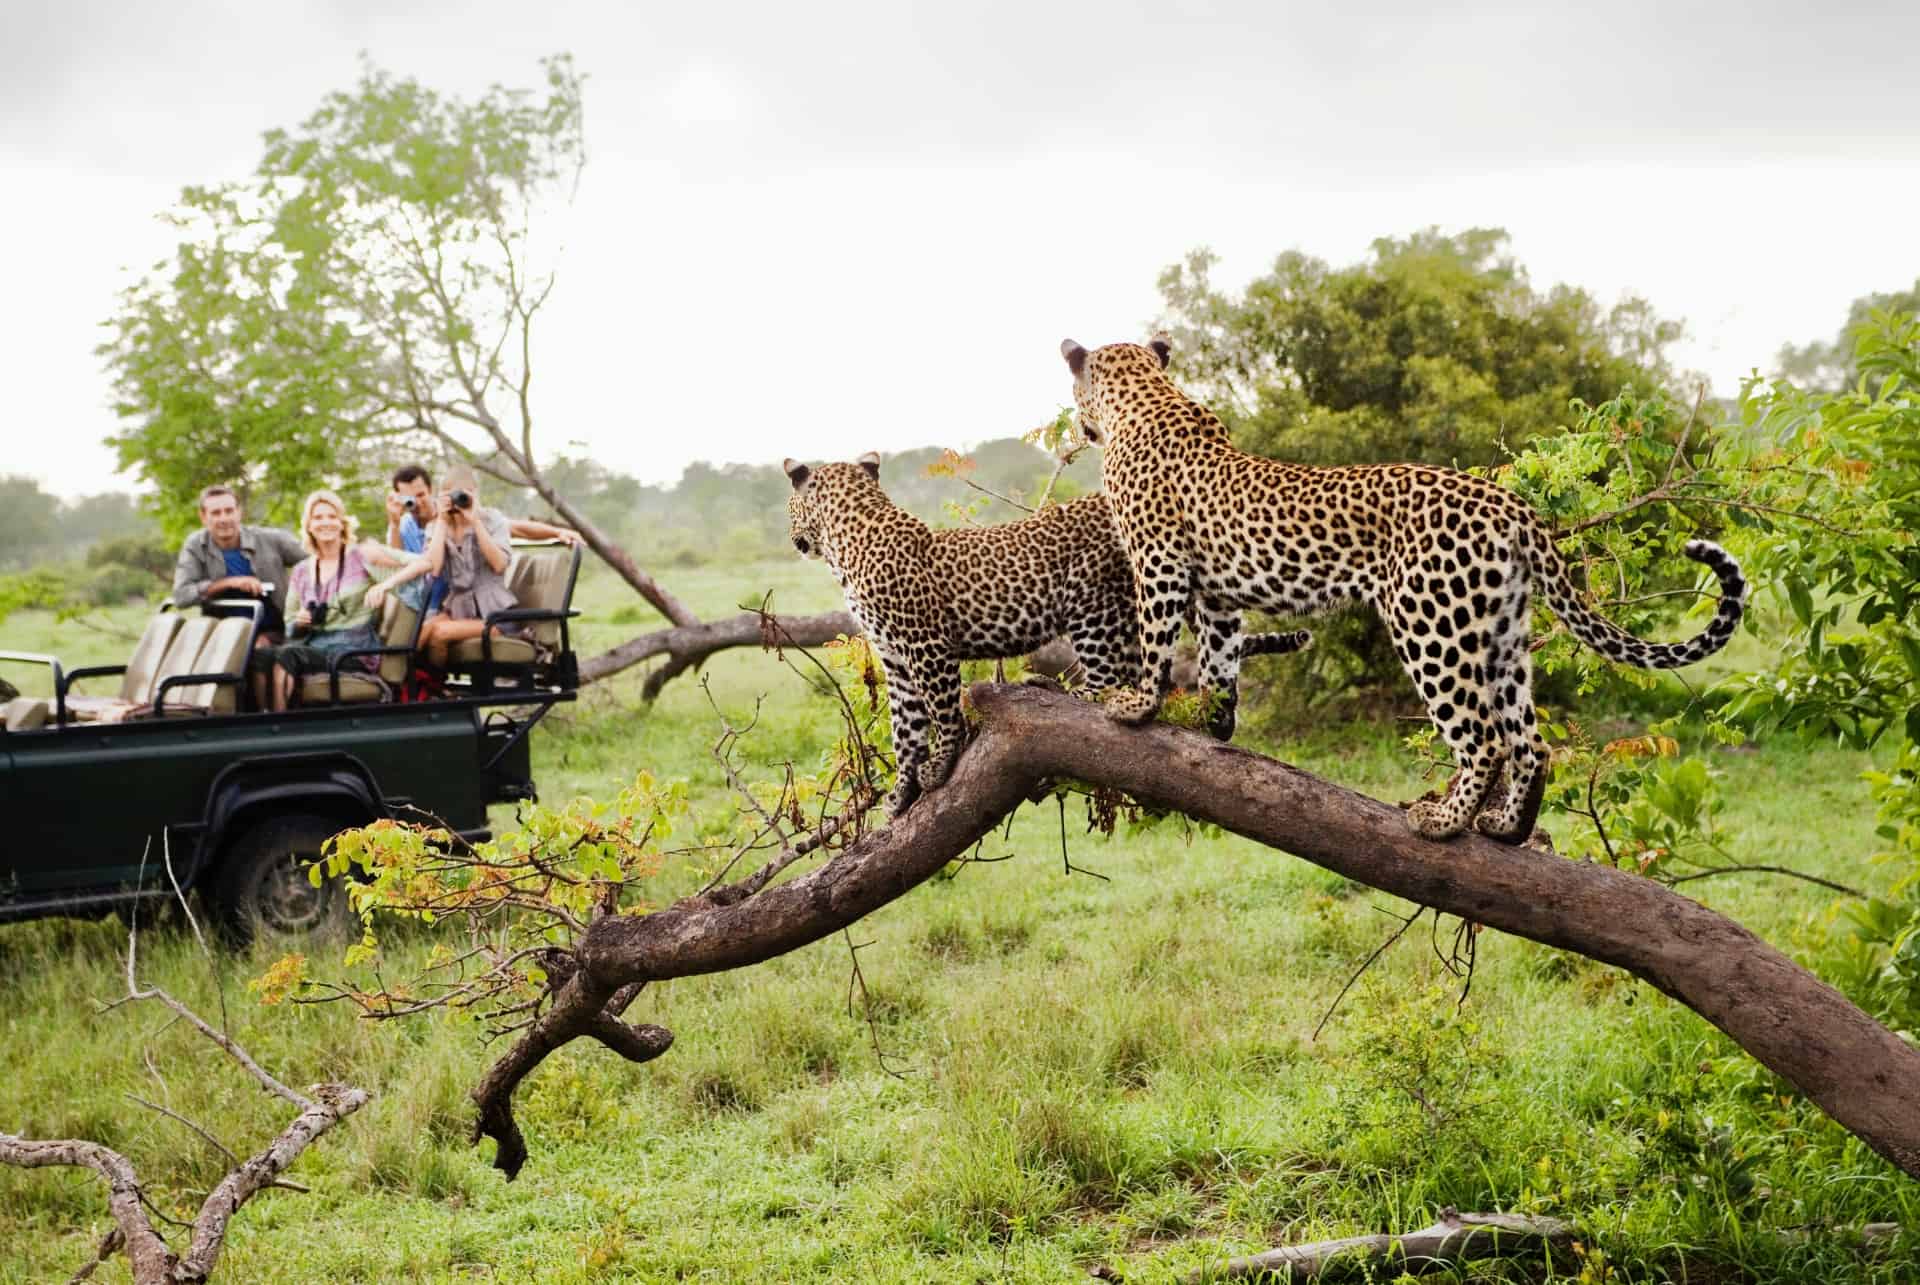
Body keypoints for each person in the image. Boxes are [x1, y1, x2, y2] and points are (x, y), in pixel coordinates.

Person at [262, 490, 430, 711]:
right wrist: (301, 622)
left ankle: (280, 727)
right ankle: (259, 721)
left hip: (353, 652)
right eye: (318, 517)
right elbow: (290, 628)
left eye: (332, 517)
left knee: (288, 655)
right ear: (309, 525)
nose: (326, 523)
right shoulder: (301, 571)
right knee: (260, 657)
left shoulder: (361, 556)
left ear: (342, 523)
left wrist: (385, 584)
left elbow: (424, 563)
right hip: (315, 647)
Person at [171, 485, 308, 708]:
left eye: (229, 511)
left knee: (259, 650)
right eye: (216, 513)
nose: (224, 519)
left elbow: (317, 558)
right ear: (203, 517)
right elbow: (181, 595)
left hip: (272, 630)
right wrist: (229, 583)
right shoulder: (195, 545)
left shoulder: (270, 539)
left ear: (239, 512)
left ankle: (264, 718)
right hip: (223, 635)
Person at [416, 472, 526, 671]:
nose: (455, 502)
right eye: (448, 497)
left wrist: (475, 522)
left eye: (460, 495)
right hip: (459, 610)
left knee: (440, 632)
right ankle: (416, 690)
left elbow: (499, 564)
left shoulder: (492, 519)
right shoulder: (437, 526)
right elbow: (433, 568)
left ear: (474, 494)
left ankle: (433, 689)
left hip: (496, 616)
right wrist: (441, 520)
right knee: (421, 631)